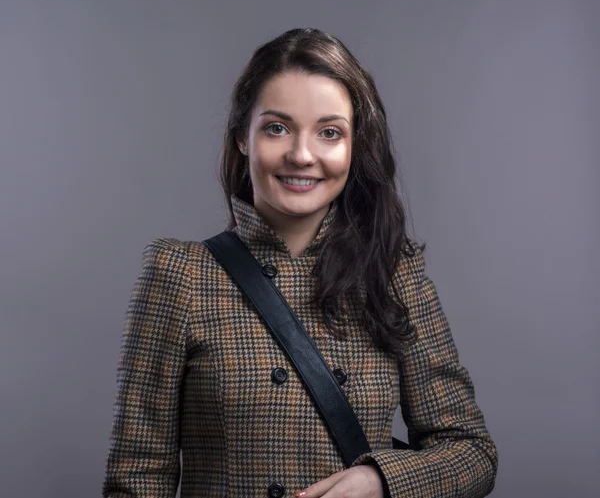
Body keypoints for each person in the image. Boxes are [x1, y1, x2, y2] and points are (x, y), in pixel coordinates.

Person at [102, 27, 498, 498]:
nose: (302, 154)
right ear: (243, 138)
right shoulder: (180, 274)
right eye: (277, 127)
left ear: (354, 147)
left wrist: (381, 480)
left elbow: (472, 451)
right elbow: (136, 480)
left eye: (329, 132)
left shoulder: (392, 274)